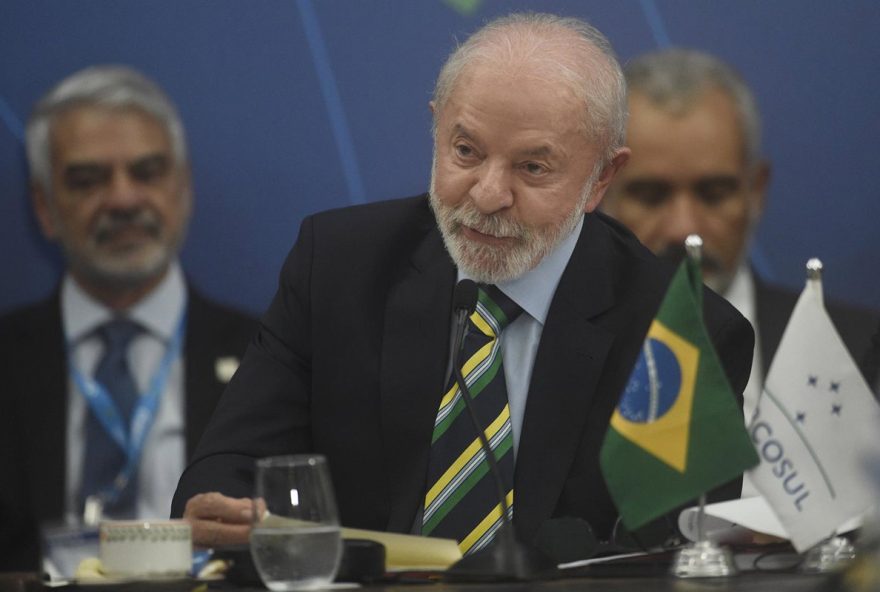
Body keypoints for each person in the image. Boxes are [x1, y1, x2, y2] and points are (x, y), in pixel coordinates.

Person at [172, 14, 753, 557]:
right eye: (466, 151)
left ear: (603, 176)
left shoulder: (678, 334)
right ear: (436, 128)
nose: (486, 194)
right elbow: (230, 465)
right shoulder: (338, 268)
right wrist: (221, 508)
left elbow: (672, 559)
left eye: (533, 168)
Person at [0, 65, 256, 571]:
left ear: (183, 188)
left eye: (147, 172)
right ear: (44, 207)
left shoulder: (269, 356)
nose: (122, 199)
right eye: (87, 180)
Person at [601, 48, 879, 423]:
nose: (685, 228)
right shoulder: (553, 350)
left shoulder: (862, 351)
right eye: (651, 196)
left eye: (714, 194)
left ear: (756, 191)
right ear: (601, 191)